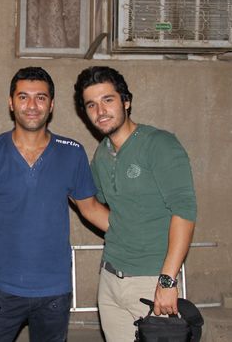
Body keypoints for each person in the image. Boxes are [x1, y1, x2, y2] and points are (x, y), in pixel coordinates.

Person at [0, 67, 109, 342]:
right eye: (23, 97)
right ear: (11, 103)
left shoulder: (72, 152)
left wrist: (134, 233)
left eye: (40, 98)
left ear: (51, 104)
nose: (32, 106)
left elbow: (91, 208)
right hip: (1, 288)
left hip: (54, 291)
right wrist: (12, 250)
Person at [74, 66, 197, 342]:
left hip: (151, 280)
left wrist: (167, 281)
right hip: (110, 279)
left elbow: (184, 211)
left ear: (126, 101)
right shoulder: (103, 153)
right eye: (91, 105)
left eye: (108, 100)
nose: (100, 111)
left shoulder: (159, 144)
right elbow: (99, 209)